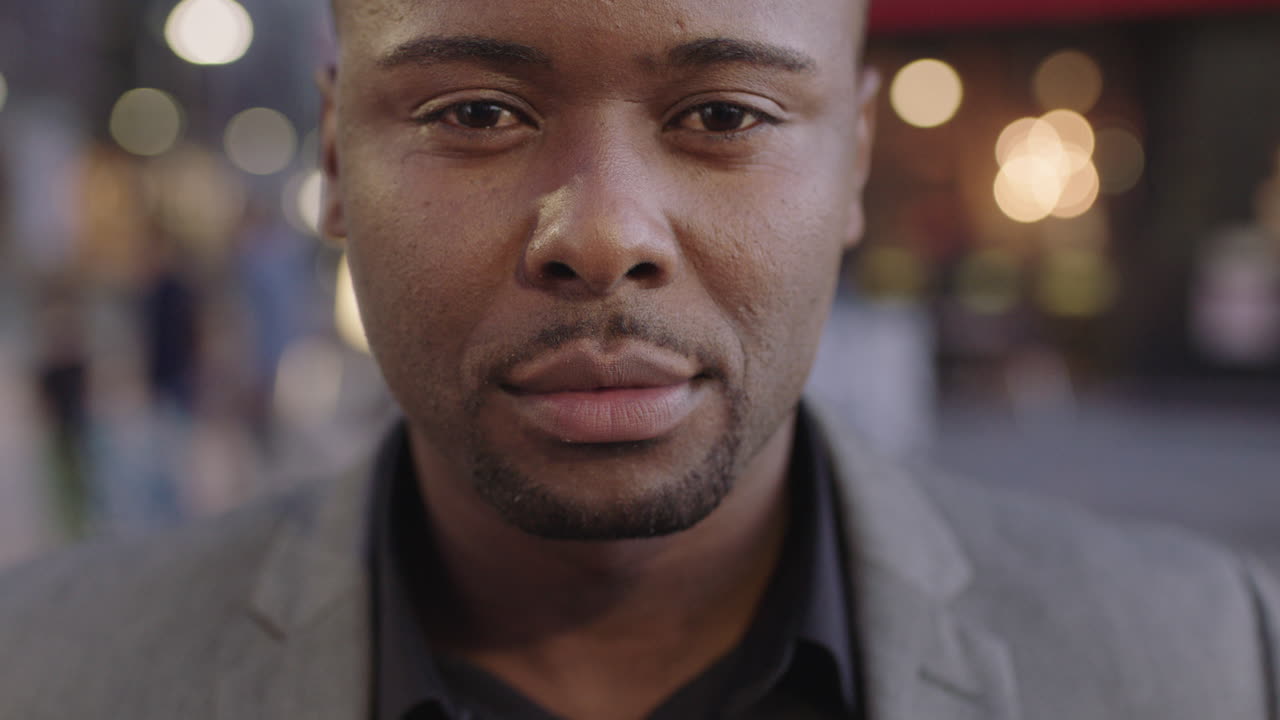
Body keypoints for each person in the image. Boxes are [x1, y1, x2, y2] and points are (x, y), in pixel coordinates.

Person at [2, 0, 1278, 717]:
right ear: (336, 159)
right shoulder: (50, 674)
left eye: (723, 116)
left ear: (855, 169)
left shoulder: (1202, 664)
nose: (603, 234)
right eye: (476, 113)